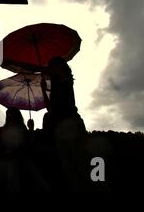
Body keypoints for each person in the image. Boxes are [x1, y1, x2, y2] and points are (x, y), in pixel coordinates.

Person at [40, 56, 91, 191]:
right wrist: (43, 90)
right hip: (59, 127)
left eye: (53, 65)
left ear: (61, 67)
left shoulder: (66, 80)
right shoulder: (55, 88)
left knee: (82, 162)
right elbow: (50, 109)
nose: (50, 68)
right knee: (68, 166)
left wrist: (18, 64)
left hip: (71, 123)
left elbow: (43, 70)